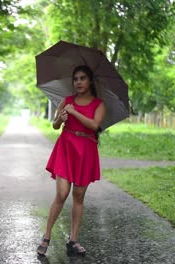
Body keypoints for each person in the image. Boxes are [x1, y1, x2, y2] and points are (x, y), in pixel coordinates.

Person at [36, 65, 106, 257]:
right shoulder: (66, 101)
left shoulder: (99, 104)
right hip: (66, 148)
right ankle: (47, 236)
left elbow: (94, 125)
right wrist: (61, 117)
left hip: (86, 151)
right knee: (62, 193)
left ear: (90, 81)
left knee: (78, 196)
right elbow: (55, 125)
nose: (78, 82)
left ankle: (73, 240)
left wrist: (74, 112)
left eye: (83, 78)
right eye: (76, 79)